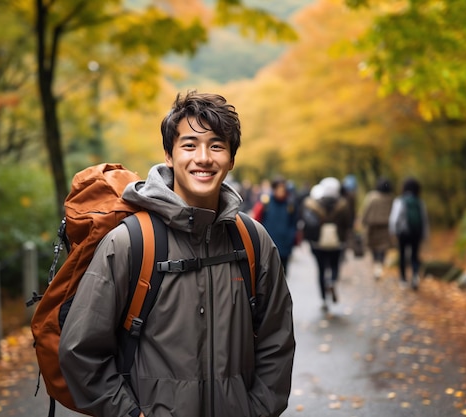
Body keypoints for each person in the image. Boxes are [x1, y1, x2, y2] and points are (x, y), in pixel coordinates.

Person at [58, 91, 295, 417]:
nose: (203, 157)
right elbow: (81, 350)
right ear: (169, 155)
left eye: (216, 145)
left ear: (231, 159)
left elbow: (276, 341)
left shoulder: (253, 240)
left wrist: (257, 410)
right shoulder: (131, 243)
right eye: (189, 145)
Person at [301, 177, 350, 312]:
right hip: (337, 242)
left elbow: (307, 223)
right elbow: (347, 224)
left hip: (318, 243)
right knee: (334, 265)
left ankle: (323, 299)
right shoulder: (343, 204)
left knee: (321, 269)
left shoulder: (314, 204)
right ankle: (332, 281)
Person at [251, 176, 298, 275]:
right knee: (268, 274)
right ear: (274, 189)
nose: (281, 192)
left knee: (283, 274)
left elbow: (294, 224)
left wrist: (291, 238)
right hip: (268, 245)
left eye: (283, 189)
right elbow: (256, 220)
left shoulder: (290, 204)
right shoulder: (266, 203)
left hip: (285, 245)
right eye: (279, 189)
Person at [389, 177, 429, 290]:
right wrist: (425, 234)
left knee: (402, 255)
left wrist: (393, 231)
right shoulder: (419, 202)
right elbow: (424, 219)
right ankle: (415, 276)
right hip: (416, 232)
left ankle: (403, 279)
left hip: (403, 233)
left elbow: (394, 219)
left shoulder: (400, 200)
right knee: (414, 255)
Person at [360, 177, 395, 280]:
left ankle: (377, 266)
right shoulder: (391, 198)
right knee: (383, 248)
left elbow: (366, 210)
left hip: (373, 227)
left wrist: (363, 221)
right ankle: (380, 265)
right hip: (386, 227)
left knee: (374, 247)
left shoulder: (372, 197)